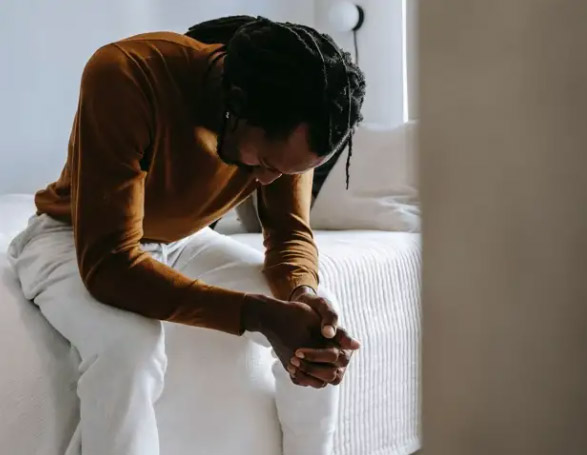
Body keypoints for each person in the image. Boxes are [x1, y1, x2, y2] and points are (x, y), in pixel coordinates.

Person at [7, 15, 366, 455]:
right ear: (236, 103)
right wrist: (260, 315)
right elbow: (110, 266)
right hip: (72, 238)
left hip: (182, 241)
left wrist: (300, 292)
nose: (268, 181)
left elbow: (289, 231)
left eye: (287, 171)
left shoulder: (300, 105)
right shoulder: (127, 73)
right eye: (265, 164)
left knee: (318, 330)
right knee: (128, 351)